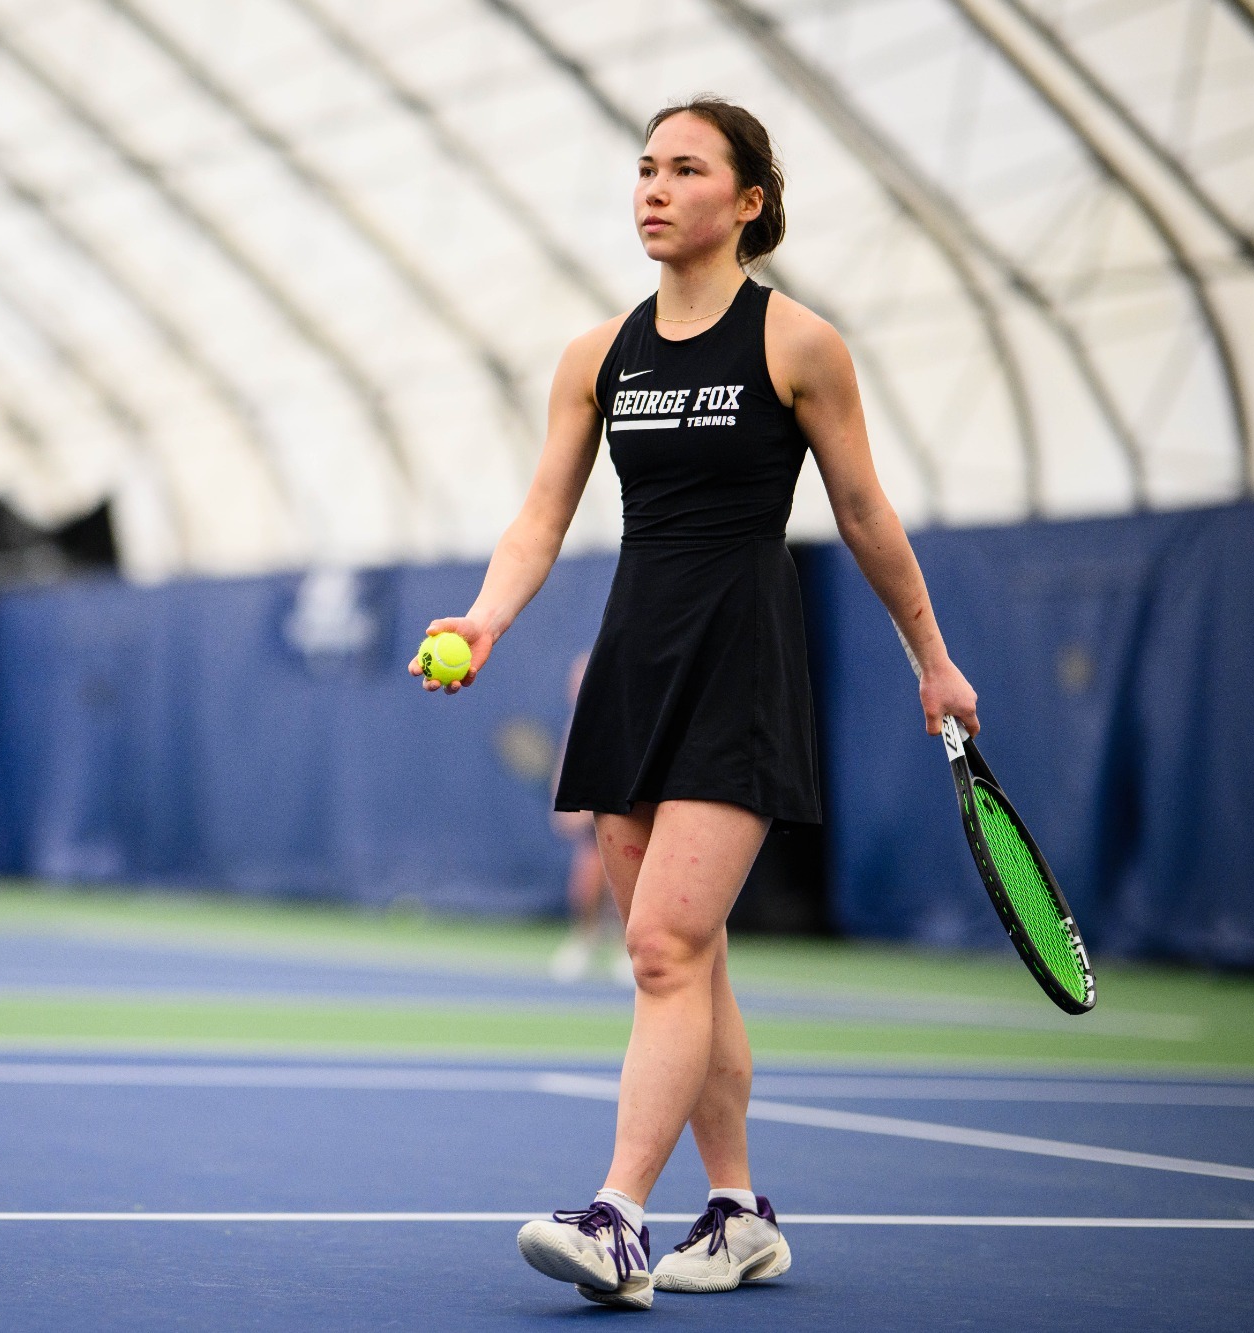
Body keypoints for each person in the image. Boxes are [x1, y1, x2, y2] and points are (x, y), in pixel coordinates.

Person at [409, 97, 978, 1310]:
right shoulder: (596, 354)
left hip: (741, 659)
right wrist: (484, 617)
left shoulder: (797, 344)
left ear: (749, 201)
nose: (652, 190)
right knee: (688, 954)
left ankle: (615, 1215)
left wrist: (930, 656)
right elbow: (540, 513)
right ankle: (736, 1210)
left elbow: (867, 515)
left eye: (682, 169)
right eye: (642, 169)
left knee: (661, 947)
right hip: (633, 657)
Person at [548, 653, 632, 986]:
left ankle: (625, 949)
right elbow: (565, 765)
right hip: (591, 817)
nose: (578, 688)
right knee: (586, 882)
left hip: (625, 809)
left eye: (585, 681)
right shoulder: (575, 724)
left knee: (628, 885)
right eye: (576, 681)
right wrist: (567, 806)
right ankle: (584, 940)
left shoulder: (623, 721)